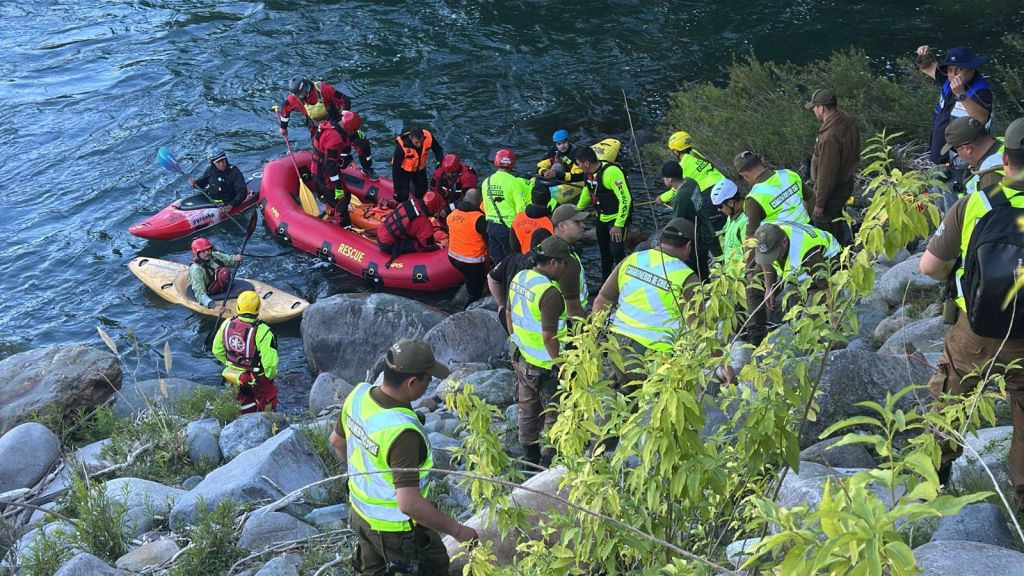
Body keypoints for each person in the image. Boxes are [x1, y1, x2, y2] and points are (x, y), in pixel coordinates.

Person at [918, 117, 1024, 491]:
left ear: (1005, 160)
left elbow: (929, 268)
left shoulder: (975, 203)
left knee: (950, 397)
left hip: (974, 330)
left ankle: (933, 478)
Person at [329, 338, 478, 575]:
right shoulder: (402, 433)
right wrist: (459, 531)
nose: (429, 384)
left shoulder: (358, 395)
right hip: (396, 530)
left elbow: (337, 441)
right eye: (427, 379)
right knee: (434, 566)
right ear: (411, 382)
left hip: (359, 514)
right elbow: (408, 504)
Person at [592, 217, 700, 389]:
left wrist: (595, 340)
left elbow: (600, 302)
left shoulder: (632, 259)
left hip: (616, 348)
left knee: (621, 400)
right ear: (688, 246)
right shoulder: (686, 276)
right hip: (654, 359)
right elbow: (699, 328)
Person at [733, 150, 812, 346]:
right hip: (808, 239)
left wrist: (749, 268)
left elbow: (752, 239)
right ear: (762, 162)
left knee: (754, 287)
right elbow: (810, 199)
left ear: (745, 175)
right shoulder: (789, 175)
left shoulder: (754, 198)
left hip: (780, 247)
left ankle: (756, 340)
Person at [507, 236, 571, 468]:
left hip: (522, 358)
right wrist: (562, 366)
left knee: (527, 410)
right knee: (554, 414)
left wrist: (516, 340)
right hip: (545, 367)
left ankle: (529, 459)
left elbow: (508, 314)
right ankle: (548, 461)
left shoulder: (520, 277)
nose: (566, 268)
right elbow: (548, 336)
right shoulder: (550, 293)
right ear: (553, 262)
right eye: (564, 263)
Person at [915, 45, 993, 166]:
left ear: (972, 68)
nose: (954, 74)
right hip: (940, 151)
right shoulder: (948, 78)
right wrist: (924, 56)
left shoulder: (981, 91)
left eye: (959, 69)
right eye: (950, 70)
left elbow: (981, 118)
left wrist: (961, 94)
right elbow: (925, 67)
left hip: (960, 157)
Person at [805, 88, 860, 246]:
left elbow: (827, 174)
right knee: (839, 217)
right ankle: (846, 245)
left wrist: (819, 205)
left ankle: (836, 255)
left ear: (821, 108)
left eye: (814, 107)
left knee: (824, 226)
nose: (813, 110)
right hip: (846, 181)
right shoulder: (847, 118)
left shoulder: (829, 137)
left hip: (833, 189)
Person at [752, 222, 840, 317]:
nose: (771, 260)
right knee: (794, 314)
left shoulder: (809, 255)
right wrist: (769, 287)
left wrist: (834, 318)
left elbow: (828, 288)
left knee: (806, 321)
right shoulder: (767, 233)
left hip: (828, 270)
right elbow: (765, 258)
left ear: (784, 242)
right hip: (800, 275)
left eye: (773, 255)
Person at [212, 291, 279, 414]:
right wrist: (268, 378)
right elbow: (270, 364)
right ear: (258, 308)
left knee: (240, 402)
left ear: (238, 307)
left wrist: (231, 364)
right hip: (256, 377)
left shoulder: (226, 323)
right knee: (268, 405)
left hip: (233, 376)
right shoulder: (263, 331)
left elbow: (217, 351)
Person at [575, 146, 631, 280]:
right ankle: (605, 282)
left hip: (616, 219)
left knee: (617, 251)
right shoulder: (588, 174)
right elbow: (587, 193)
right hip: (602, 217)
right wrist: (576, 211)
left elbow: (626, 199)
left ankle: (623, 281)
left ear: (586, 163)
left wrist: (618, 225)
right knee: (604, 253)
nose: (578, 167)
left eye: (579, 164)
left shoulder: (612, 172)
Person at [659, 160, 721, 282]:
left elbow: (677, 224)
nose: (664, 180)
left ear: (670, 179)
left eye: (664, 178)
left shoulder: (680, 198)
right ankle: (706, 288)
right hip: (707, 229)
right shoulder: (691, 182)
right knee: (703, 269)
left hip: (698, 238)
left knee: (694, 271)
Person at [311, 112, 373, 227]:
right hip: (324, 171)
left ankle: (333, 213)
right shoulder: (335, 140)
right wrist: (338, 187)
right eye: (354, 130)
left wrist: (355, 136)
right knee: (342, 199)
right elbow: (329, 165)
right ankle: (341, 225)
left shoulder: (333, 124)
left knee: (344, 196)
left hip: (320, 166)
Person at [488, 228, 553, 333]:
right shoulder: (545, 269)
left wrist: (501, 304)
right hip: (531, 325)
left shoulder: (510, 259)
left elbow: (491, 278)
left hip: (508, 317)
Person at [663, 130, 731, 229]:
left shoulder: (683, 166)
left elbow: (678, 188)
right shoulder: (696, 154)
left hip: (710, 194)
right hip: (725, 185)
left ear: (675, 151)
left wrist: (662, 198)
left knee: (713, 226)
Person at [480, 149, 531, 265]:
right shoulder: (514, 182)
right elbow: (521, 209)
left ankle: (498, 275)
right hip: (507, 228)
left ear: (496, 162)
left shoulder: (486, 182)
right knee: (512, 259)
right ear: (512, 163)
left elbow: (486, 206)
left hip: (491, 226)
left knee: (498, 260)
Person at [941, 116, 1004, 197]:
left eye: (955, 149)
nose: (958, 155)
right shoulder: (1005, 144)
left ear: (968, 149)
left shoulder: (990, 176)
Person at [446, 188, 489, 303]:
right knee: (475, 293)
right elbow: (489, 241)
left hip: (453, 258)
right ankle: (470, 305)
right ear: (479, 202)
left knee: (469, 277)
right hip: (472, 262)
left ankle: (469, 286)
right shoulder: (479, 219)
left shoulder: (452, 215)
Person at [278, 76, 352, 141]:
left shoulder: (324, 89)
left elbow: (345, 100)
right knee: (319, 145)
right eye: (297, 95)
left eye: (300, 94)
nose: (299, 97)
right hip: (316, 128)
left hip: (335, 121)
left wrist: (344, 120)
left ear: (306, 88)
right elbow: (285, 109)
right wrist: (283, 127)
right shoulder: (294, 98)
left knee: (344, 139)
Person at [550, 204, 590, 320]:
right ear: (562, 226)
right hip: (569, 322)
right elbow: (573, 309)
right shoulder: (564, 260)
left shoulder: (560, 249)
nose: (583, 225)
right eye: (577, 222)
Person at [377, 192, 444, 257]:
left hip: (380, 230)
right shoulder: (423, 222)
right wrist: (439, 248)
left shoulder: (409, 202)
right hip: (387, 244)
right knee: (419, 246)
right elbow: (429, 246)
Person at [391, 126, 444, 202]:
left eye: (421, 141)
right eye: (416, 142)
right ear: (411, 138)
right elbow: (395, 169)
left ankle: (412, 187)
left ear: (423, 137)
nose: (419, 145)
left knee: (421, 193)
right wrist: (396, 187)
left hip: (420, 169)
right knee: (403, 195)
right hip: (404, 171)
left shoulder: (428, 137)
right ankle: (405, 189)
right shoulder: (402, 146)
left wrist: (439, 163)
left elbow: (438, 150)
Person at [188, 237, 241, 313]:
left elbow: (229, 260)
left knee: (223, 272)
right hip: (210, 292)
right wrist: (213, 306)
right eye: (203, 251)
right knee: (222, 273)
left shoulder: (215, 256)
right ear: (197, 253)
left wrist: (235, 259)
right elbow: (199, 294)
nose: (207, 252)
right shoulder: (196, 270)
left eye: (208, 249)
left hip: (223, 286)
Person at [188, 148, 248, 214]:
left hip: (228, 203)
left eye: (223, 160)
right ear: (213, 164)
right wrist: (195, 183)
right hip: (211, 201)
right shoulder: (209, 171)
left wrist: (231, 205)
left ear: (226, 159)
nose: (222, 164)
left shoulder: (234, 172)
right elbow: (203, 183)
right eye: (218, 162)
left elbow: (242, 192)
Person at [710, 179, 748, 270]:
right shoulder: (731, 216)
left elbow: (750, 255)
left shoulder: (745, 222)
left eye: (720, 206)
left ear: (730, 203)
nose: (719, 210)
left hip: (742, 275)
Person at [510, 182, 554, 255]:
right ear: (549, 199)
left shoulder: (518, 218)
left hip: (524, 258)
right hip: (545, 260)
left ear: (531, 198)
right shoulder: (551, 221)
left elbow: (514, 246)